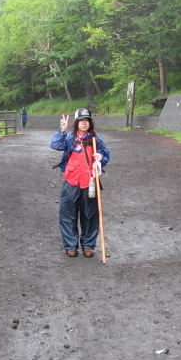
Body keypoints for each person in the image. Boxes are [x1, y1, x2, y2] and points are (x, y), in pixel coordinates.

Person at [50, 108, 110, 257]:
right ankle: (71, 245)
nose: (84, 123)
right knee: (68, 214)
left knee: (90, 214)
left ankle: (88, 245)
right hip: (71, 181)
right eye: (82, 121)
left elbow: (106, 156)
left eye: (87, 121)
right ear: (77, 122)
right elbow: (55, 145)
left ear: (90, 122)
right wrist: (62, 130)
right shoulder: (70, 137)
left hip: (89, 182)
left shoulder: (95, 139)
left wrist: (100, 157)